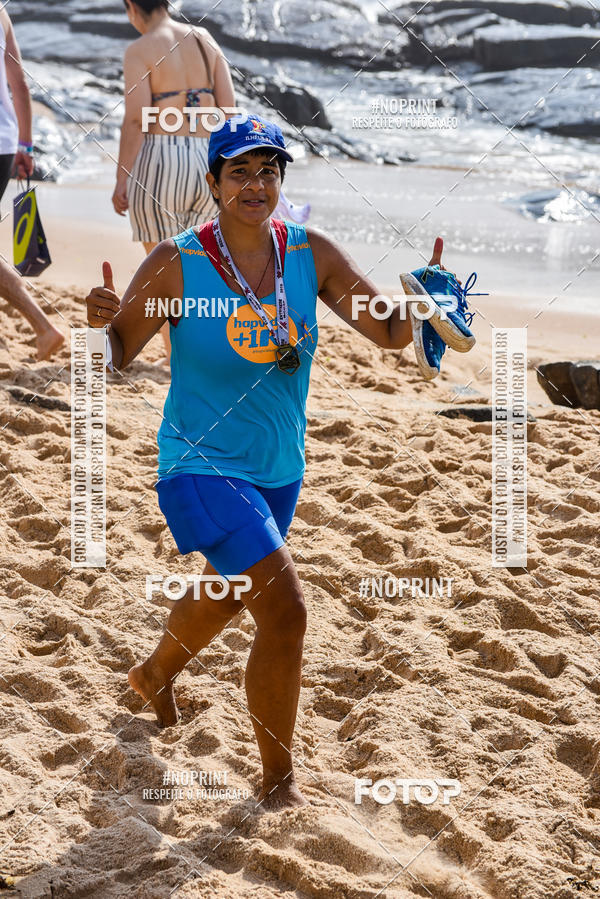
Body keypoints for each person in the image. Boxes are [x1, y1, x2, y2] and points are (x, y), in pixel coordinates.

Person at [86, 114, 473, 808]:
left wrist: (427, 297)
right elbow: (116, 351)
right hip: (198, 464)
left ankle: (152, 673)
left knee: (229, 589)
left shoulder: (309, 254)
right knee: (286, 611)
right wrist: (102, 322)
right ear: (212, 182)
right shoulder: (177, 263)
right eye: (240, 170)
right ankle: (278, 784)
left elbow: (386, 329)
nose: (256, 184)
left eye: (269, 170)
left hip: (277, 468)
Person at [112, 0, 235, 360]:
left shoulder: (140, 49)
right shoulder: (203, 37)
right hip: (208, 160)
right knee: (205, 266)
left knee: (164, 271)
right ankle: (212, 351)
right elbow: (229, 111)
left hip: (160, 159)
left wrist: (122, 179)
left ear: (132, 7)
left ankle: (178, 358)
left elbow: (136, 119)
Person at [0, 8, 63, 360]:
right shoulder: (3, 13)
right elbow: (19, 83)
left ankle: (43, 327)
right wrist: (25, 145)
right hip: (6, 143)